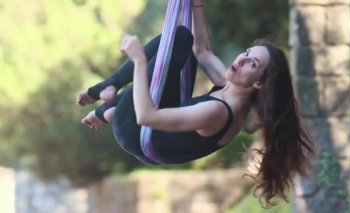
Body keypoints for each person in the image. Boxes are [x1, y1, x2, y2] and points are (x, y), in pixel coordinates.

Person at [76, 0, 314, 207]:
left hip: (137, 131)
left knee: (177, 38)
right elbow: (202, 50)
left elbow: (146, 117)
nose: (241, 60)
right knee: (185, 48)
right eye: (247, 52)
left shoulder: (217, 112)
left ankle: (109, 93)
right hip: (155, 126)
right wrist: (196, 4)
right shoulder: (230, 89)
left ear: (260, 83)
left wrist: (139, 61)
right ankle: (111, 108)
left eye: (252, 64)